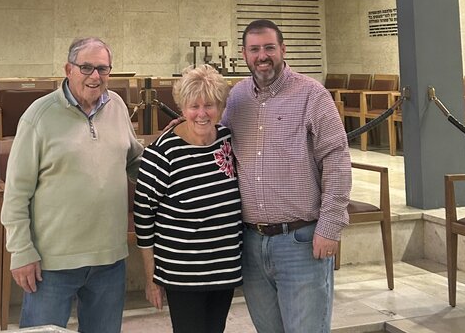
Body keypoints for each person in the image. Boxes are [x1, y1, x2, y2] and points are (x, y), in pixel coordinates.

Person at [1, 36, 143, 333]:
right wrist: (21, 251)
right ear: (68, 69)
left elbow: (134, 162)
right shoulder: (38, 116)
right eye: (86, 67)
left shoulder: (116, 106)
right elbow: (16, 192)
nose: (95, 76)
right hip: (52, 263)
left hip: (109, 259)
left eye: (103, 69)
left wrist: (174, 155)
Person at [222, 19, 351, 333]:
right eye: (254, 49)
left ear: (282, 49)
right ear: (244, 54)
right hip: (251, 243)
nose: (262, 55)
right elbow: (217, 139)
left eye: (269, 47)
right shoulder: (237, 97)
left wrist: (330, 227)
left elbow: (337, 161)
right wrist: (181, 128)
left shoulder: (312, 95)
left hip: (301, 242)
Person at [134, 65, 242, 333]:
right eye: (194, 106)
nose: (202, 113)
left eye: (209, 105)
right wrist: (151, 279)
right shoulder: (161, 154)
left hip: (224, 268)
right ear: (182, 108)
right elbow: (144, 220)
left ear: (221, 107)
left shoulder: (229, 141)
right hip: (183, 272)